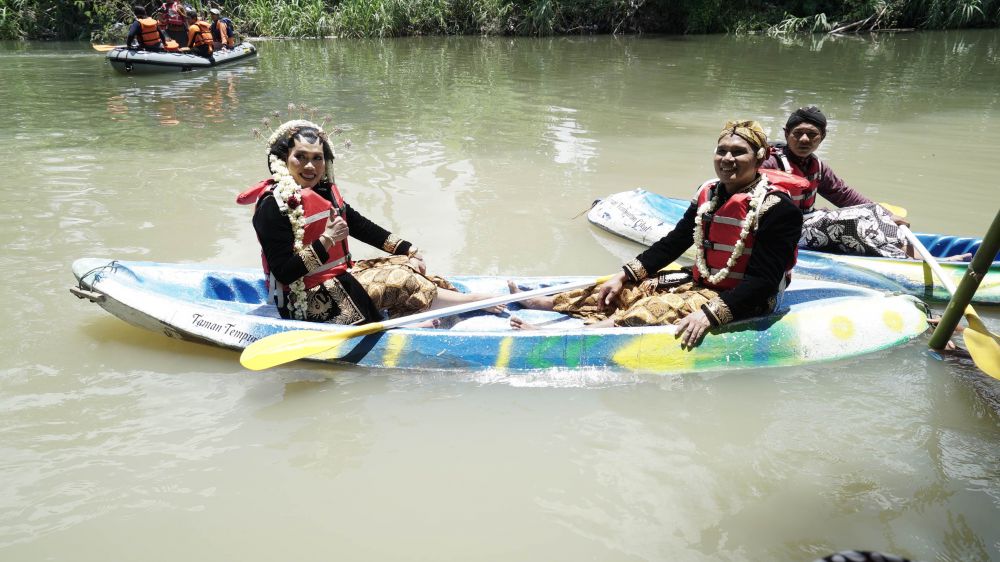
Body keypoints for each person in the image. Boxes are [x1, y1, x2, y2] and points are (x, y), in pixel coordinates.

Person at [510, 120, 803, 348]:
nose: (727, 158)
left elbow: (763, 282)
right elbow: (674, 242)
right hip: (701, 280)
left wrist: (708, 314)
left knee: (653, 308)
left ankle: (569, 337)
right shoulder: (709, 193)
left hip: (748, 298)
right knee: (628, 288)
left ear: (760, 158)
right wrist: (624, 275)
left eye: (738, 152)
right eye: (721, 151)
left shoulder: (778, 209)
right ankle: (547, 303)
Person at [239, 119, 505, 325]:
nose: (310, 166)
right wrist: (327, 240)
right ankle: (469, 302)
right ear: (284, 160)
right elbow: (285, 272)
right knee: (402, 280)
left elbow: (360, 225)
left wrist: (407, 249)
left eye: (317, 158)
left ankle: (432, 307)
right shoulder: (273, 206)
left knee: (405, 264)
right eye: (301, 157)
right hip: (305, 299)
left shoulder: (322, 192)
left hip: (339, 277)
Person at [761, 106, 914, 258]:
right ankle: (903, 257)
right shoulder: (769, 162)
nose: (804, 139)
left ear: (822, 137)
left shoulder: (817, 166)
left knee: (871, 210)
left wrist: (886, 215)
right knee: (853, 222)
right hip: (781, 230)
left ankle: (905, 250)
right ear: (787, 134)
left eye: (812, 134)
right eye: (798, 133)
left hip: (805, 220)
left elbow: (843, 194)